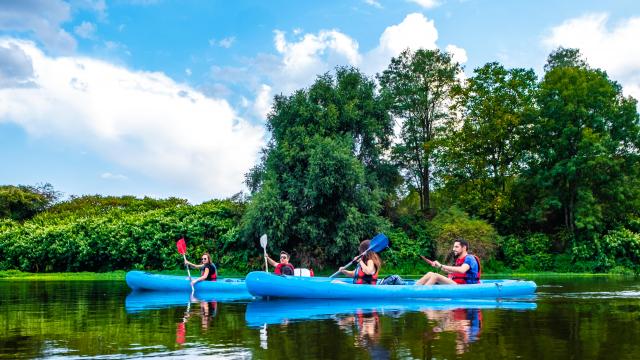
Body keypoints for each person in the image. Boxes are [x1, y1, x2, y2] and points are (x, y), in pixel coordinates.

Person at [416, 238, 481, 286]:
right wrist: (438, 266)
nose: (453, 249)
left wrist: (441, 265)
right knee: (430, 273)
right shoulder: (459, 259)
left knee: (436, 276)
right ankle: (414, 289)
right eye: (454, 247)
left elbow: (462, 270)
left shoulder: (470, 258)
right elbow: (452, 272)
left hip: (465, 286)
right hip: (457, 284)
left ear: (464, 248)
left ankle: (421, 293)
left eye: (456, 247)